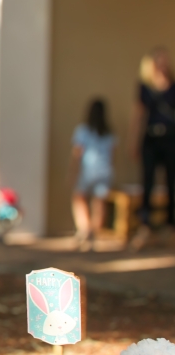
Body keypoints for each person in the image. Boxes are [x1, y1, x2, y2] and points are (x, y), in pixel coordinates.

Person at [130, 48, 175, 249]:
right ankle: (146, 223)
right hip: (151, 138)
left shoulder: (173, 87)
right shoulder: (145, 88)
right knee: (147, 180)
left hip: (170, 138)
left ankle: (170, 224)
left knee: (171, 181)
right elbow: (138, 115)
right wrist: (133, 141)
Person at [70, 99, 115, 251]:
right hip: (105, 170)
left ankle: (84, 229)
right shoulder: (108, 131)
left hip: (88, 170)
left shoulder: (83, 130)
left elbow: (77, 153)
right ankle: (93, 232)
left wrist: (72, 172)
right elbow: (112, 154)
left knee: (79, 198)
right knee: (99, 203)